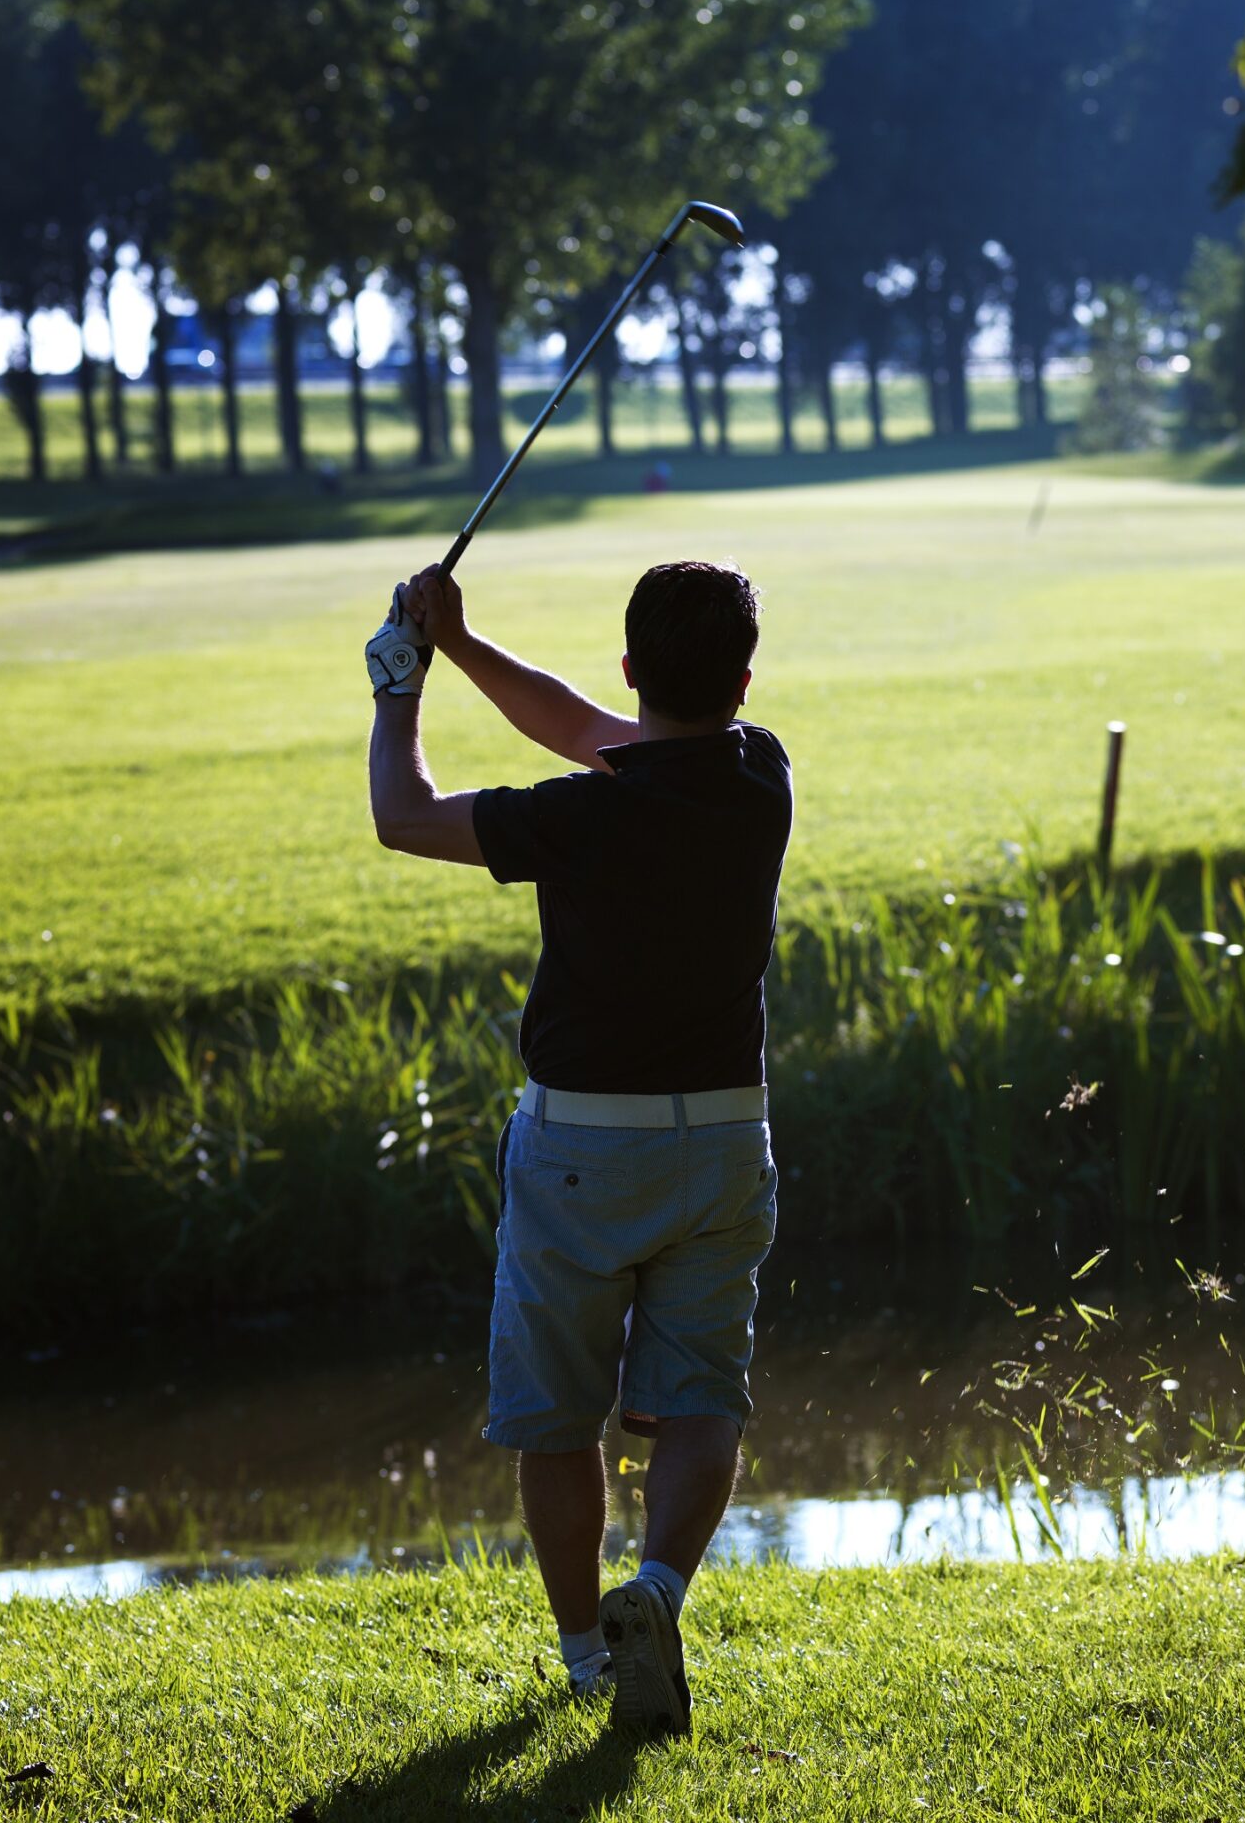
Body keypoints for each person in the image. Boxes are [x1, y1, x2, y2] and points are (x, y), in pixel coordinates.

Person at [362, 560, 792, 1737]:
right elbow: (581, 729)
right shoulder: (760, 771)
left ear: (631, 669)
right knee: (700, 1398)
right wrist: (461, 641)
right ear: (741, 680)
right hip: (723, 1137)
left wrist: (401, 679)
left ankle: (587, 1659)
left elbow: (403, 817)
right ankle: (653, 1594)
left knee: (558, 1418)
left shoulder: (577, 813)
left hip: (581, 1152)